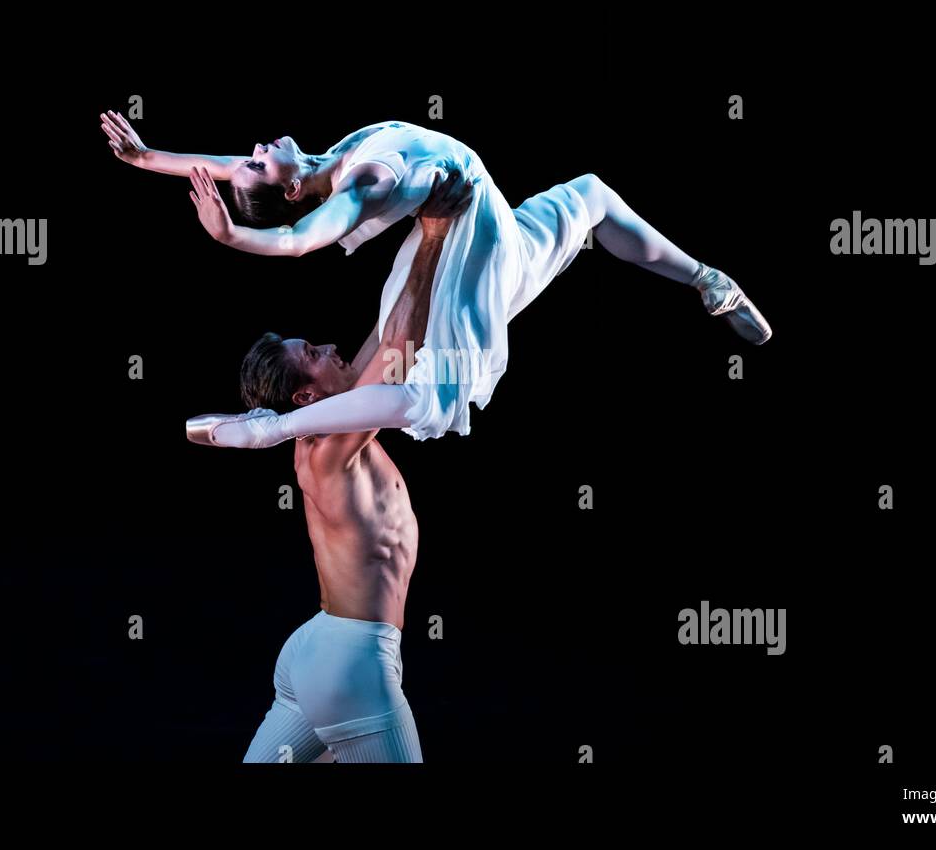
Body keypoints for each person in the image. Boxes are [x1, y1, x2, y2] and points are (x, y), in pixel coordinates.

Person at [101, 113, 772, 446]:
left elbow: (227, 167)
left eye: (244, 161)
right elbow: (300, 239)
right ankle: (263, 431)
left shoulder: (325, 162)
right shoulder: (358, 186)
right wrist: (232, 237)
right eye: (255, 167)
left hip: (489, 238)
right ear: (292, 189)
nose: (247, 153)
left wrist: (147, 157)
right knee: (426, 394)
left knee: (592, 195)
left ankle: (712, 282)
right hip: (471, 247)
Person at [187, 171, 472, 763]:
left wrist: (426, 232)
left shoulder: (333, 420)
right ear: (305, 399)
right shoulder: (331, 440)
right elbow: (399, 351)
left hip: (315, 651)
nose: (329, 348)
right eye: (313, 356)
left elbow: (390, 321)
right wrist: (437, 235)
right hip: (354, 663)